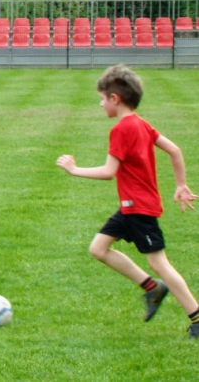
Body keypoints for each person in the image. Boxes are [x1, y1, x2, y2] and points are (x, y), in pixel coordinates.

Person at [56, 64, 199, 338]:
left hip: (139, 209)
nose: (100, 105)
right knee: (99, 249)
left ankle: (197, 317)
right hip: (130, 206)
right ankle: (152, 288)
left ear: (115, 99)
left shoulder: (122, 129)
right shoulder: (142, 124)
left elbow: (109, 172)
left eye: (101, 98)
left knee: (160, 263)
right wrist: (180, 184)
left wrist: (75, 170)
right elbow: (174, 150)